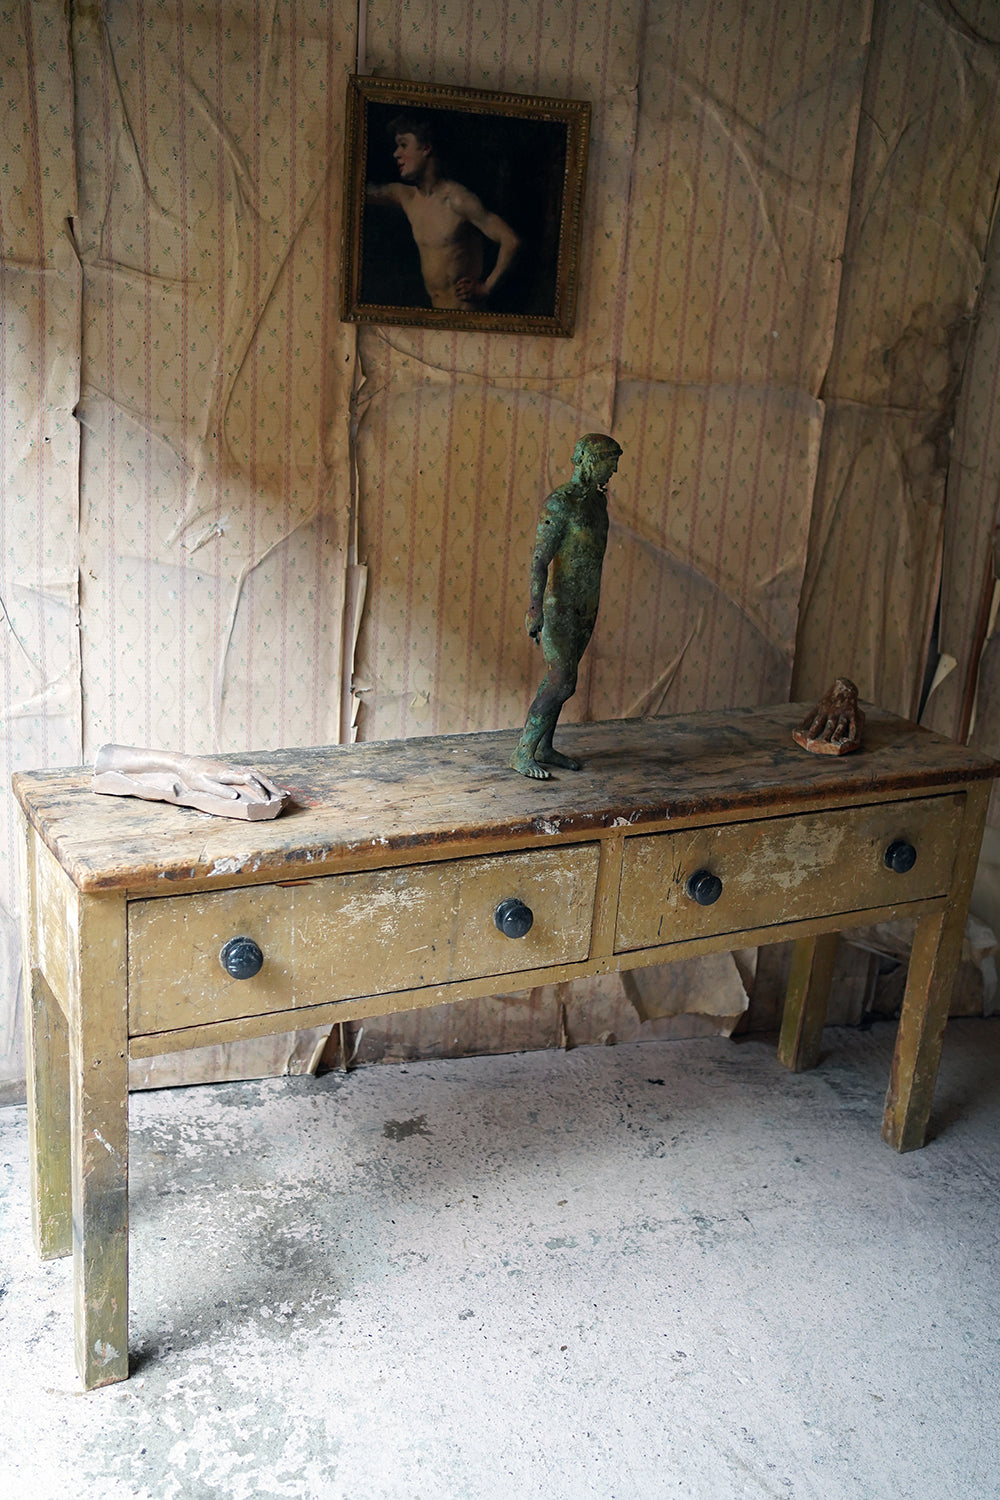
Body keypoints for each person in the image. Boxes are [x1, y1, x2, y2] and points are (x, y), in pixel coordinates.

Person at [509, 434, 623, 779]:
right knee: (562, 682)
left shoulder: (597, 503)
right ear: (589, 460)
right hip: (559, 606)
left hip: (585, 606)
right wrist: (534, 607)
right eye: (610, 461)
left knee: (559, 678)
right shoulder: (560, 504)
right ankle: (522, 753)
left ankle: (544, 747)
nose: (614, 470)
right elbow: (540, 560)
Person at [366, 113, 520, 311]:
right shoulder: (406, 196)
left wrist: (486, 288)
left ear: (426, 148)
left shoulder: (457, 200)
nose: (396, 153)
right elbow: (362, 192)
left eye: (403, 145)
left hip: (466, 317)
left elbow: (511, 240)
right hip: (436, 315)